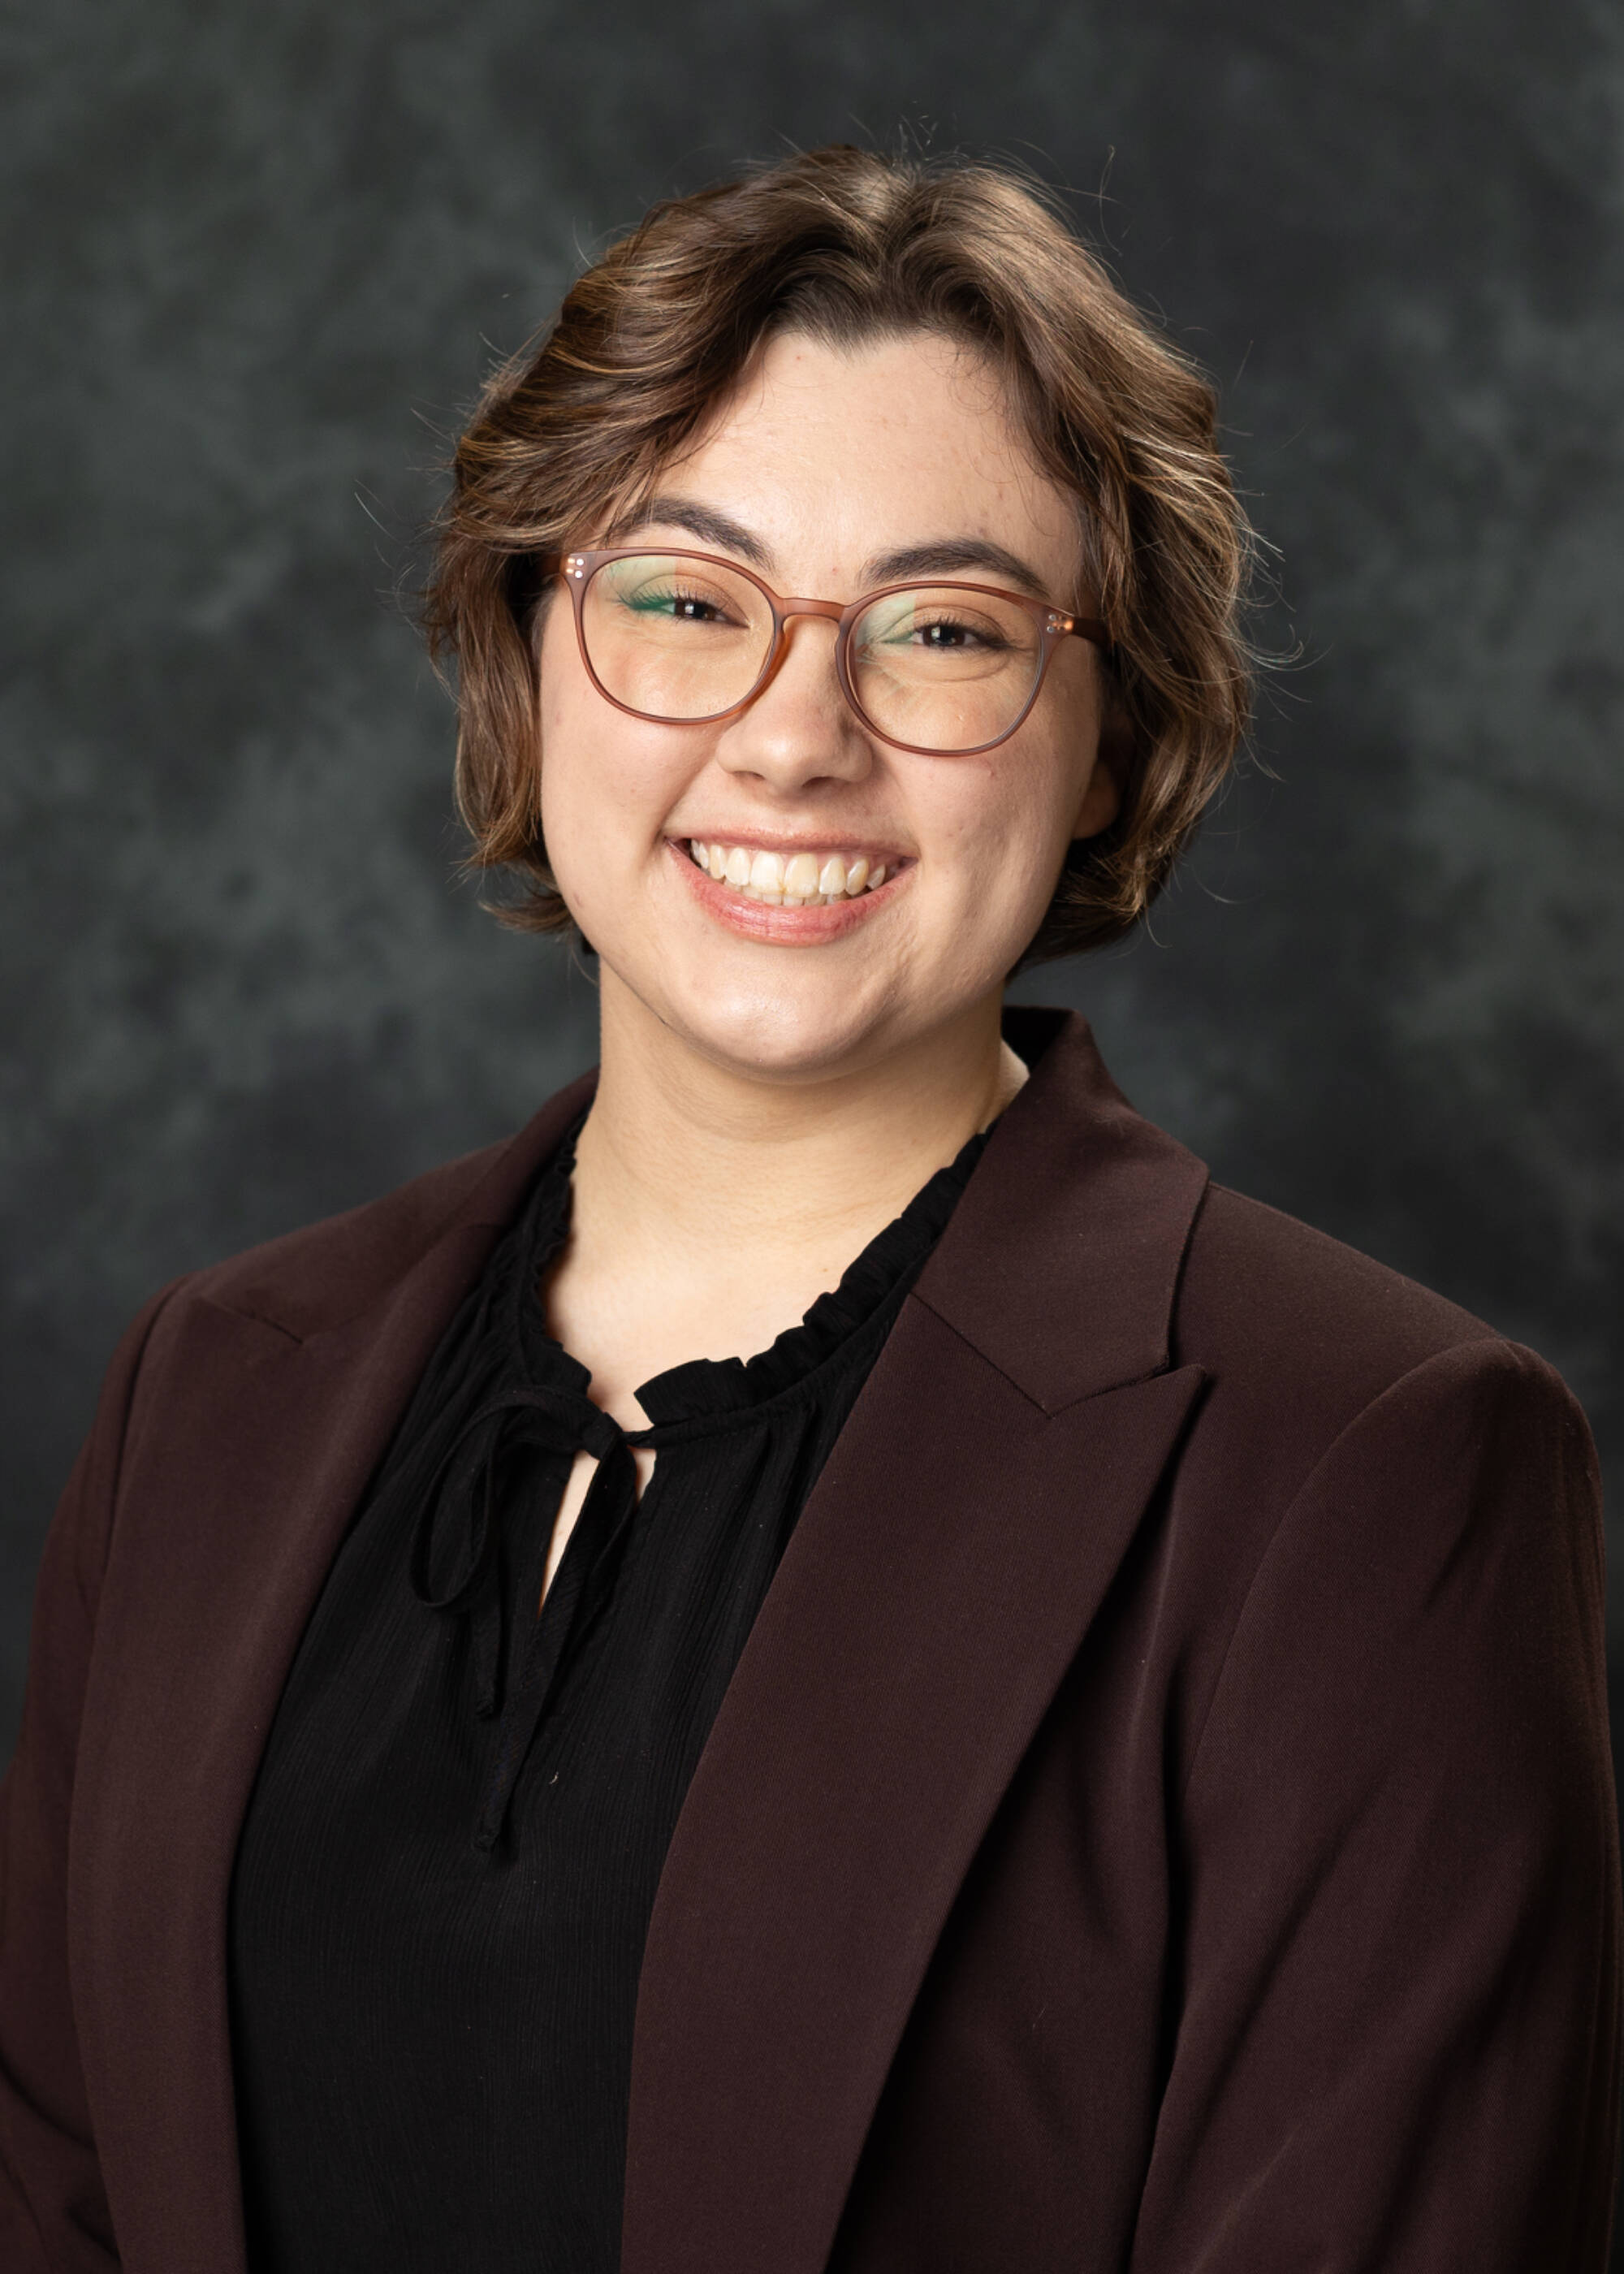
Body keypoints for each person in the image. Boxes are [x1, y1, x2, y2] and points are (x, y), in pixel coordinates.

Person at [2, 145, 1617, 2274]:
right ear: (531, 646)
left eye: (942, 632)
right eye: (686, 597)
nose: (793, 737)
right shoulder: (212, 1392)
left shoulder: (1370, 1469)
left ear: (1107, 731)